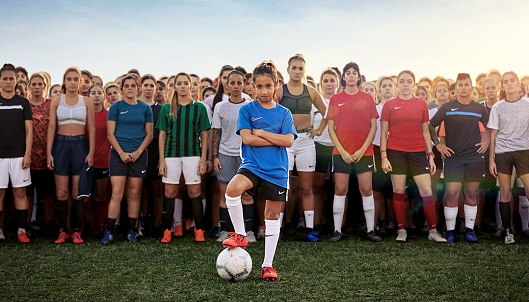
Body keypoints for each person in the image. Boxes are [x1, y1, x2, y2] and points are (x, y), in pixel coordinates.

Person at [222, 61, 296, 281]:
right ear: (251, 86)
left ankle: (267, 265)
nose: (264, 91)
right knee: (233, 189)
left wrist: (262, 133)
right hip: (252, 166)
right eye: (259, 86)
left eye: (268, 86)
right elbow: (247, 138)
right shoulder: (246, 110)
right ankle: (241, 235)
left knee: (272, 217)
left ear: (276, 86)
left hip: (277, 170)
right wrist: (276, 139)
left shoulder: (284, 113)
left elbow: (289, 141)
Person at [380, 70, 446, 243]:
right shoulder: (389, 105)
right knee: (399, 191)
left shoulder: (421, 104)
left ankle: (433, 231)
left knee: (426, 191)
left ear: (414, 84)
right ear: (398, 84)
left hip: (418, 152)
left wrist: (430, 155)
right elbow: (384, 132)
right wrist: (384, 156)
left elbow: (425, 132)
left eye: (409, 81)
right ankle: (401, 230)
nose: (405, 84)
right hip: (396, 152)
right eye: (402, 81)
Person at [430, 73, 489, 243]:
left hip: (474, 158)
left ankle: (470, 231)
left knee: (471, 194)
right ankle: (450, 231)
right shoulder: (447, 107)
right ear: (455, 89)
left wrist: (485, 140)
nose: (464, 88)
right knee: (452, 194)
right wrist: (438, 145)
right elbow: (429, 126)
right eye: (460, 85)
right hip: (453, 158)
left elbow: (490, 126)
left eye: (466, 85)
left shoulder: (479, 108)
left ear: (471, 87)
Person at [274, 53, 327, 242]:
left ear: (305, 70)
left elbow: (327, 112)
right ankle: (277, 229)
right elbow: (269, 113)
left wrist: (319, 129)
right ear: (288, 69)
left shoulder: (311, 91)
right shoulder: (279, 91)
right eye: (294, 68)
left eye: (301, 68)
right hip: (286, 142)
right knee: (282, 186)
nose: (297, 71)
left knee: (306, 187)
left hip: (306, 141)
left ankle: (310, 229)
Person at [326, 62, 381, 242]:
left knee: (366, 189)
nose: (351, 76)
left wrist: (363, 149)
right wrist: (342, 151)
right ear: (343, 77)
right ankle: (336, 230)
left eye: (354, 73)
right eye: (347, 73)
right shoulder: (335, 99)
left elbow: (373, 127)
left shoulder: (367, 98)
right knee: (340, 189)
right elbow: (331, 128)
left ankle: (371, 230)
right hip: (341, 152)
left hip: (364, 153)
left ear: (358, 77)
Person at [157, 72, 210, 243]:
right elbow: (162, 135)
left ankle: (199, 229)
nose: (182, 86)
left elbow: (205, 134)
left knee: (194, 191)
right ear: (174, 86)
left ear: (191, 85)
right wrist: (161, 159)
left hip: (193, 154)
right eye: (178, 83)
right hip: (171, 155)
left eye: (185, 83)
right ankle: (168, 229)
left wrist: (203, 159)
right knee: (170, 191)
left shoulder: (199, 107)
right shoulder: (167, 108)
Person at [101, 75, 153, 243]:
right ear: (121, 89)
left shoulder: (145, 108)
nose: (130, 88)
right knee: (117, 193)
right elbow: (110, 134)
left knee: (134, 193)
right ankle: (109, 231)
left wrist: (138, 152)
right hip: (118, 154)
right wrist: (122, 153)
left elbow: (150, 134)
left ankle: (131, 230)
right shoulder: (116, 108)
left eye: (133, 86)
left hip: (139, 154)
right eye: (127, 86)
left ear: (137, 88)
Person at [47, 66, 95, 244]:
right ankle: (62, 231)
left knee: (77, 192)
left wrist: (91, 152)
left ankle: (76, 231)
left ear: (80, 82)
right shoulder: (57, 101)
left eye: (76, 79)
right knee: (61, 192)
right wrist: (49, 153)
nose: (73, 82)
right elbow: (52, 127)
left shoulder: (87, 101)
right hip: (60, 145)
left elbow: (91, 128)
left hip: (80, 146)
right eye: (69, 79)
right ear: (64, 81)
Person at [212, 70, 254, 242]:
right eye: (232, 83)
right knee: (225, 194)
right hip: (225, 154)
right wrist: (214, 156)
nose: (236, 87)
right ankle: (225, 231)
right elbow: (216, 133)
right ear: (227, 85)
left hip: (246, 156)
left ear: (244, 84)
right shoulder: (220, 107)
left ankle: (248, 232)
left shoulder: (250, 104)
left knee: (246, 194)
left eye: (239, 83)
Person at [488, 71, 529, 244]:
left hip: (524, 151)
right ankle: (508, 232)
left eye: (512, 80)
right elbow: (493, 135)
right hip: (503, 153)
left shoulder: (527, 104)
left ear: (519, 84)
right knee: (505, 193)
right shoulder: (497, 107)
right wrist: (491, 159)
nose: (509, 84)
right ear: (503, 86)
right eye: (506, 81)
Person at [0, 63, 32, 243]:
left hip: (19, 156)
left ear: (16, 80)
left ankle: (21, 231)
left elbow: (29, 131)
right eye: (4, 78)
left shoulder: (23, 102)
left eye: (11, 78)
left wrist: (27, 154)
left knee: (20, 193)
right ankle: (0, 230)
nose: (8, 82)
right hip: (0, 157)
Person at [312, 68, 339, 236]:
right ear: (320, 84)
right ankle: (317, 225)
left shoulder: (342, 100)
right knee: (318, 187)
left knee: (339, 188)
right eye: (325, 81)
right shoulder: (315, 101)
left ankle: (338, 227)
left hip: (339, 148)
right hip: (318, 147)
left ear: (338, 83)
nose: (329, 84)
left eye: (332, 80)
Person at [27, 72, 54, 235]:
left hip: (47, 155)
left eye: (40, 84)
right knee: (28, 193)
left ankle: (49, 223)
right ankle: (28, 224)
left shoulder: (51, 105)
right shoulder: (25, 104)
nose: (37, 87)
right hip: (28, 156)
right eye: (34, 84)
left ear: (45, 86)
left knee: (49, 193)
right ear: (29, 86)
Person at [372, 76, 396, 234]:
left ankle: (395, 222)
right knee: (378, 190)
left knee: (395, 189)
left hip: (396, 150)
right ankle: (376, 223)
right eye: (384, 86)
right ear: (379, 91)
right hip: (377, 149)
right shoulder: (374, 109)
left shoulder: (399, 107)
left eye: (390, 85)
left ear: (395, 89)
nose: (387, 88)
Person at [88, 84, 111, 234]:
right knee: (86, 197)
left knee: (101, 196)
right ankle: (89, 226)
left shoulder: (109, 115)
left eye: (99, 93)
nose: (96, 95)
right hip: (86, 160)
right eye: (93, 93)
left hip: (104, 160)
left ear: (104, 96)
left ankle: (102, 225)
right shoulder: (84, 114)